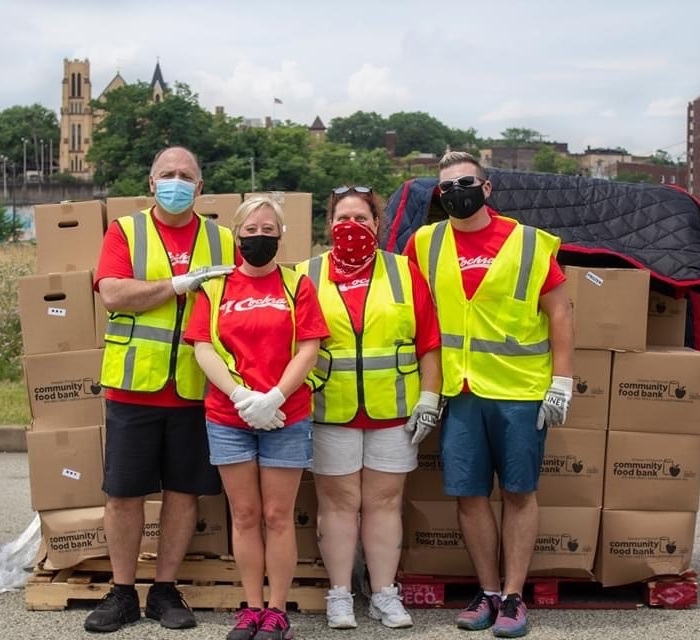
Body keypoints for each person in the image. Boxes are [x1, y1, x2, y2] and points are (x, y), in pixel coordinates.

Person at [404, 151, 574, 638]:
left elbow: (560, 313)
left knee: (519, 492)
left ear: (487, 187)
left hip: (519, 391)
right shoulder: (425, 242)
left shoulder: (527, 244)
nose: (456, 192)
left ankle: (515, 597)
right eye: (446, 187)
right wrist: (428, 392)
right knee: (469, 495)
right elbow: (417, 316)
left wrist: (561, 382)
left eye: (465, 182)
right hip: (459, 392)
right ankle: (490, 592)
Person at [85, 146, 236, 633]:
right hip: (134, 386)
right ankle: (123, 592)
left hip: (196, 389)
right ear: (151, 184)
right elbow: (112, 293)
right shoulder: (125, 231)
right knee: (124, 495)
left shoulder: (224, 239)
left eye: (185, 175)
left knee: (184, 493)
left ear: (201, 186)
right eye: (167, 175)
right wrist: (176, 285)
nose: (176, 182)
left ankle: (165, 590)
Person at [295, 186, 442, 631]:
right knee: (338, 504)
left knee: (384, 503)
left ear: (378, 225)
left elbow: (429, 344)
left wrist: (430, 398)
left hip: (393, 412)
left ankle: (384, 594)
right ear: (329, 227)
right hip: (330, 409)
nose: (352, 227)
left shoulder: (404, 273)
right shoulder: (306, 275)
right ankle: (340, 594)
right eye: (343, 219)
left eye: (361, 219)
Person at [184, 195, 329, 640]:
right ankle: (251, 608)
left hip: (287, 414)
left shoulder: (296, 285)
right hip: (228, 416)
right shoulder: (216, 287)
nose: (259, 238)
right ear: (236, 235)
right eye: (251, 231)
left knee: (277, 515)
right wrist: (242, 396)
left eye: (269, 231)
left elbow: (310, 347)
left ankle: (278, 611)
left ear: (281, 235)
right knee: (244, 515)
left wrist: (275, 397)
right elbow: (202, 347)